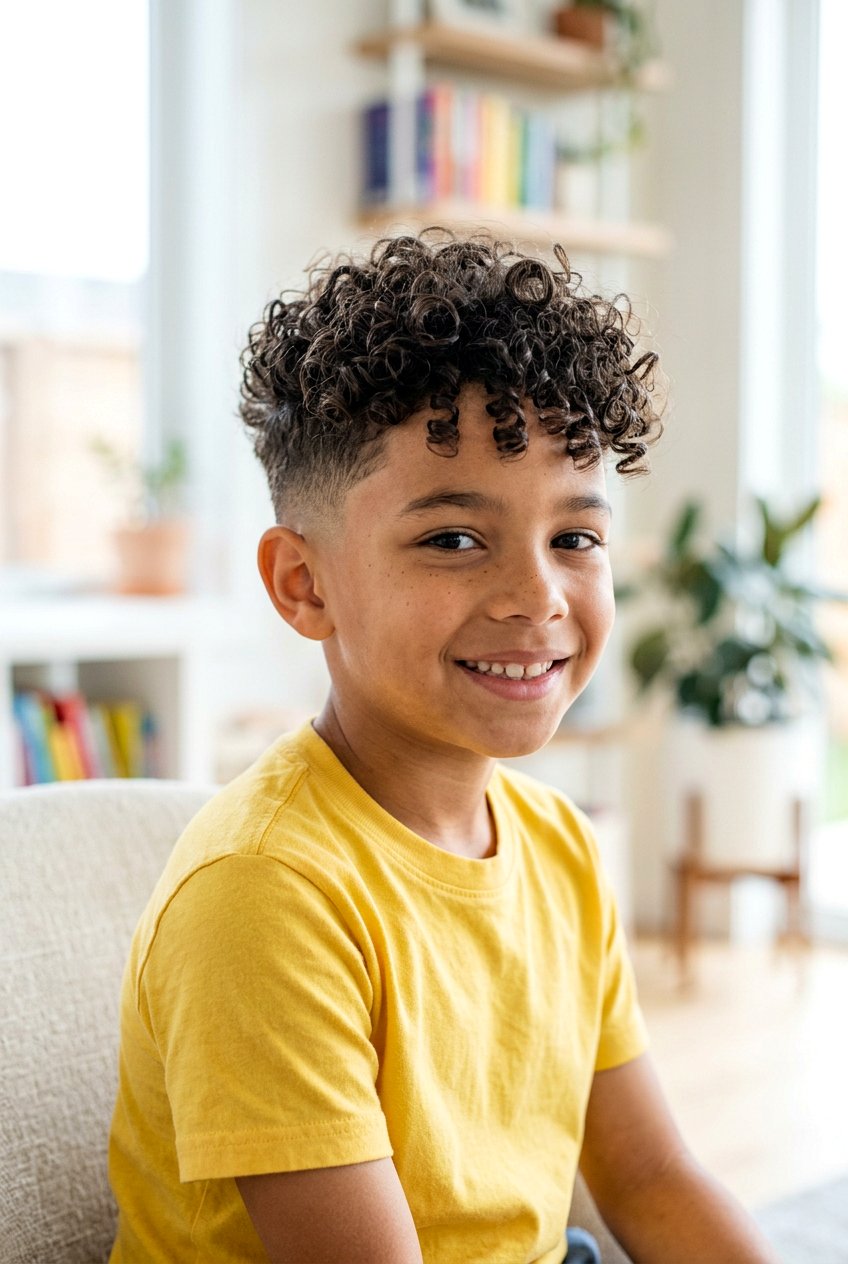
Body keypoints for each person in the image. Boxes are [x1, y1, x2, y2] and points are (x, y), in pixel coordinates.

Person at [107, 231, 779, 1263]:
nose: (537, 596)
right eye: (454, 539)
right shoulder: (267, 893)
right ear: (304, 584)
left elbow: (649, 1178)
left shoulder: (557, 845)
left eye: (574, 538)